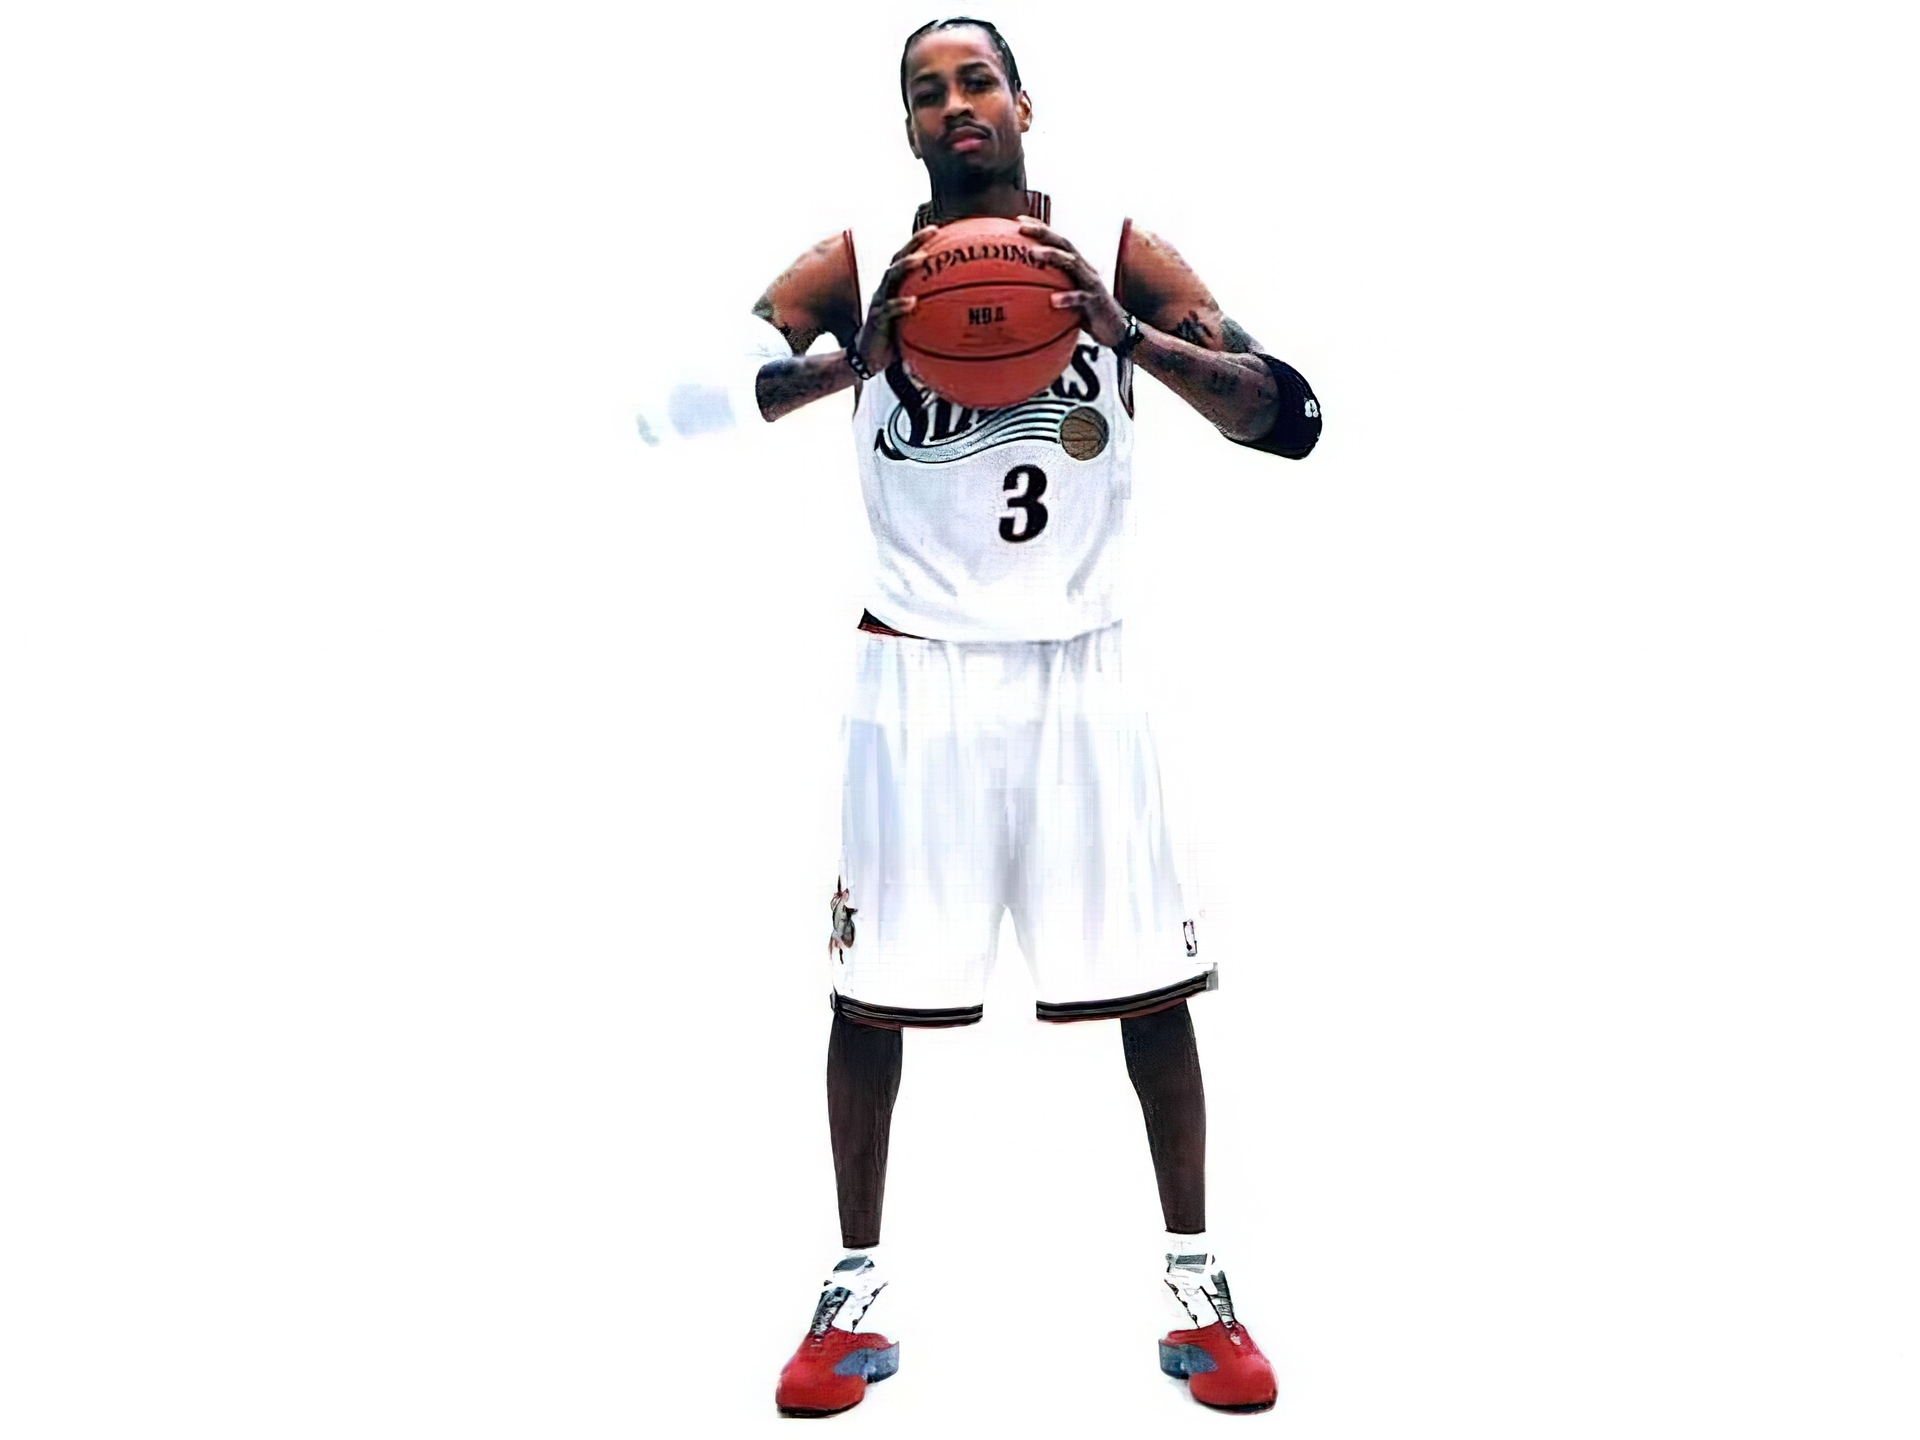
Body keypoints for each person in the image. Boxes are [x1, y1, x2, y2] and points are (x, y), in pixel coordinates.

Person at [748, 16, 1320, 1417]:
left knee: (1152, 996)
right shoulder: (854, 266)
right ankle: (852, 1296)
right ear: (905, 127)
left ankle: (1198, 1292)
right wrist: (850, 363)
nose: (955, 105)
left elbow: (1291, 417)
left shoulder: (1117, 251)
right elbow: (681, 404)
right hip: (916, 672)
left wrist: (1128, 338)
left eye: (977, 81)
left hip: (1081, 668)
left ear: (1021, 102)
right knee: (872, 1002)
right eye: (926, 92)